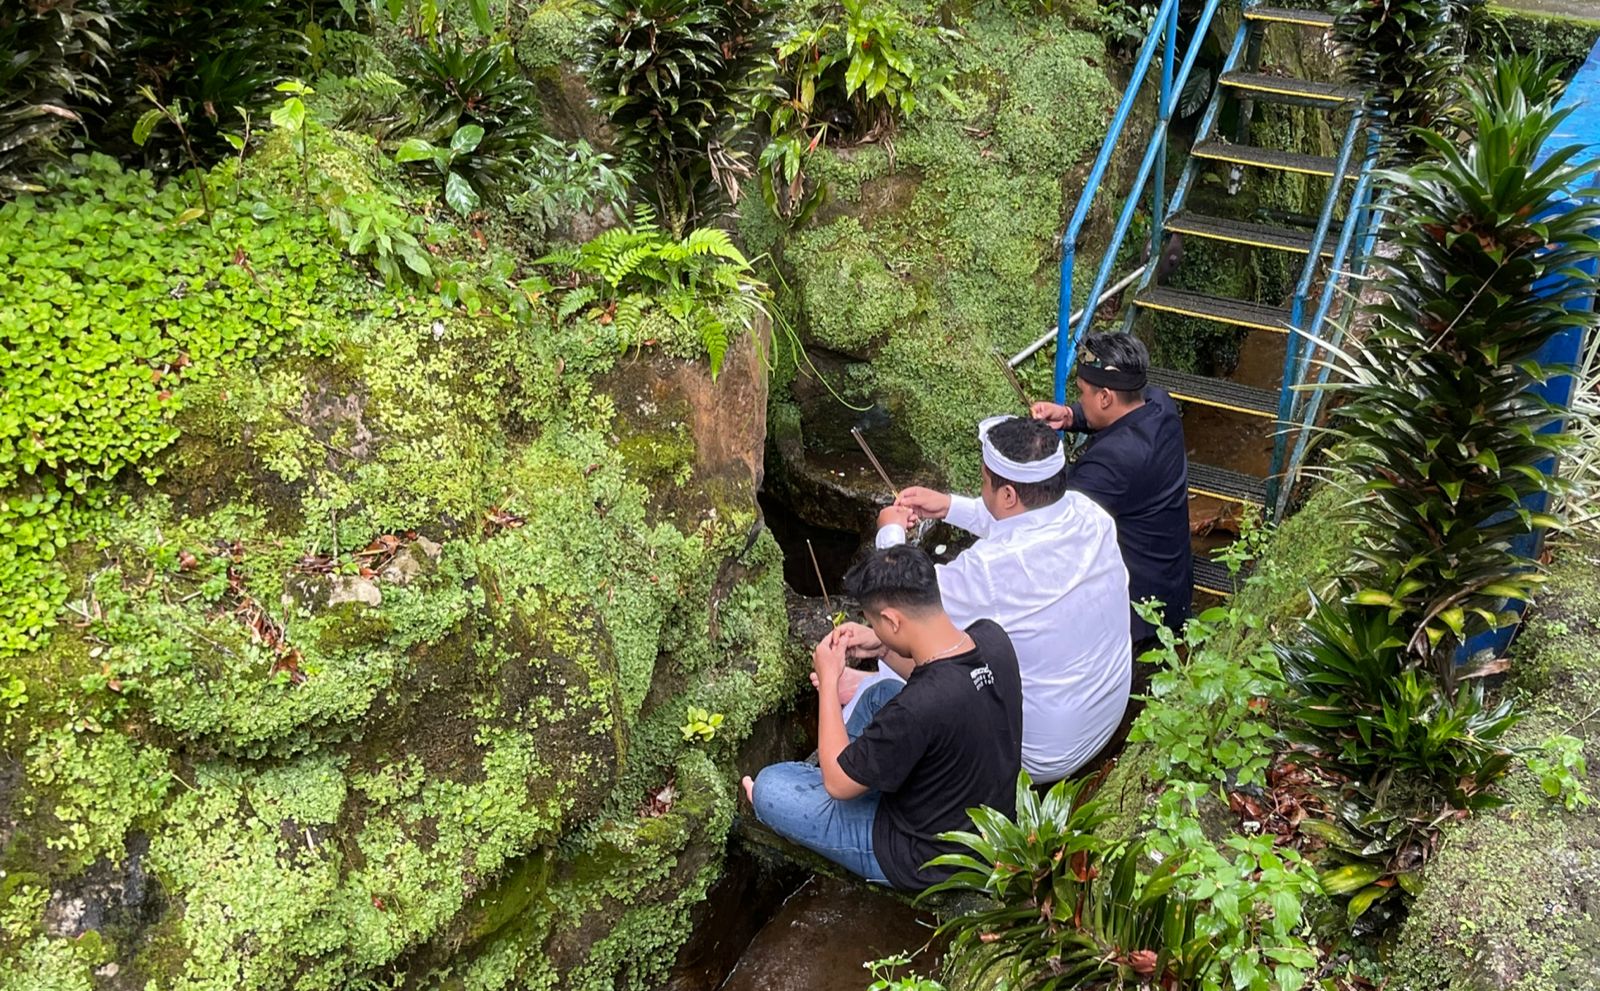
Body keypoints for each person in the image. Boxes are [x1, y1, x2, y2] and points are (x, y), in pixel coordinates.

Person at [868, 415, 1133, 783]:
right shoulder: (1090, 515)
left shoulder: (991, 569)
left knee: (903, 641)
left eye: (985, 482)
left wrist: (890, 534)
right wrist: (948, 506)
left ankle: (872, 691)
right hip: (1103, 713)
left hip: (1037, 753)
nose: (983, 488)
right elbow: (1018, 523)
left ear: (1008, 494)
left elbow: (905, 594)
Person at [742, 546, 1023, 891]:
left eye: (875, 622)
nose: (874, 628)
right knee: (882, 690)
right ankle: (860, 764)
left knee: (772, 787)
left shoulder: (916, 709)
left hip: (926, 855)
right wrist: (883, 646)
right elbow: (941, 676)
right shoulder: (992, 638)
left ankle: (826, 781)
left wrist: (829, 683)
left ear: (892, 619)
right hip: (981, 813)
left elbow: (838, 786)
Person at [1032, 331, 1191, 651]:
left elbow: (1050, 522)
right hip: (1174, 582)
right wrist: (1070, 416)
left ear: (1105, 397)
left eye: (1082, 394)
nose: (1079, 400)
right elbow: (1118, 417)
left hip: (1140, 612)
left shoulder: (1113, 462)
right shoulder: (1160, 405)